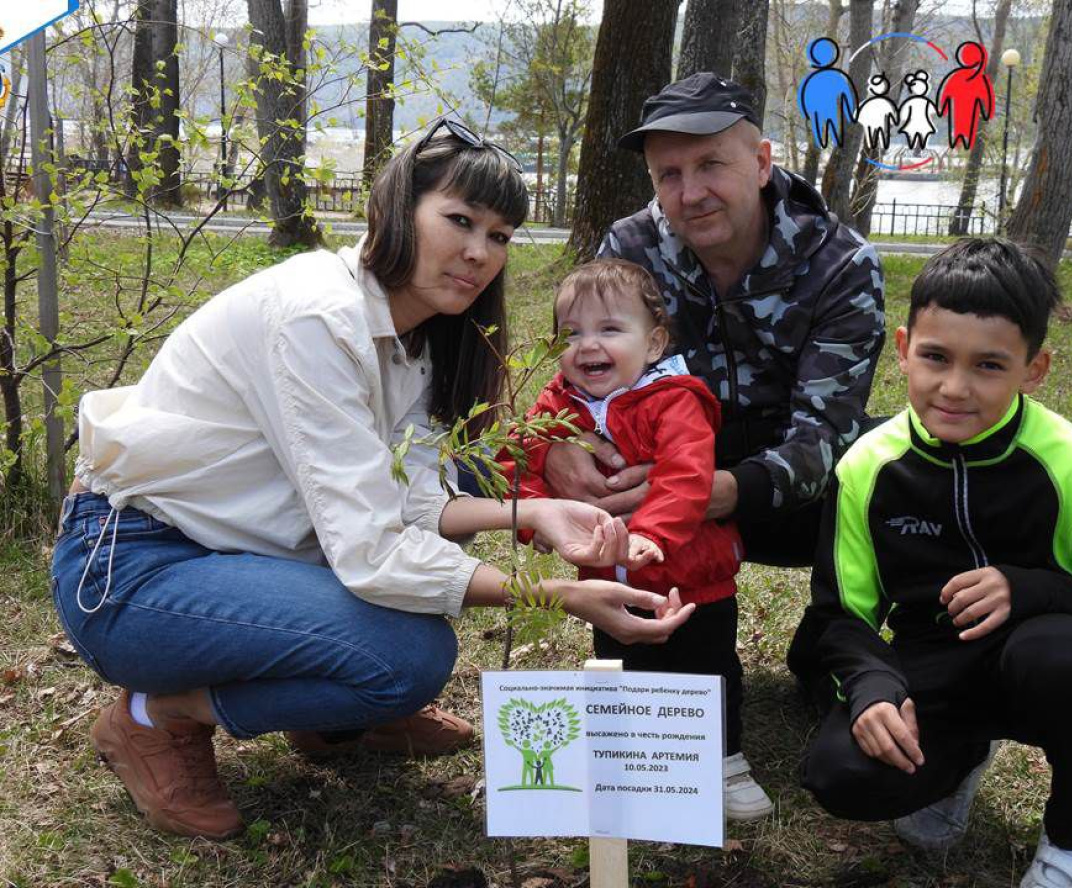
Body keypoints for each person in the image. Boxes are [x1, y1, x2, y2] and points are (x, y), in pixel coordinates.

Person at [50, 120, 693, 842]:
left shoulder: (412, 334)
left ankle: (332, 717)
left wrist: (530, 515)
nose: (480, 253)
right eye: (460, 220)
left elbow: (411, 496)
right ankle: (153, 718)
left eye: (502, 235)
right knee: (405, 654)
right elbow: (371, 549)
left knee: (402, 632)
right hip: (136, 571)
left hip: (242, 552)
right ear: (395, 209)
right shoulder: (317, 318)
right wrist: (556, 592)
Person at [787, 239, 1072, 887]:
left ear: (1034, 369)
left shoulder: (1068, 461)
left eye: (989, 366)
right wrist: (870, 689)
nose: (954, 387)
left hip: (1046, 662)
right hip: (933, 665)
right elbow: (839, 615)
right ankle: (959, 756)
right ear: (902, 347)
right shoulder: (866, 464)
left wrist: (1028, 588)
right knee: (840, 775)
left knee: (1059, 657)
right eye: (935, 357)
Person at [544, 72, 886, 572]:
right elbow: (579, 373)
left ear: (762, 163)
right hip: (655, 479)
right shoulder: (631, 249)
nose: (691, 193)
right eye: (670, 175)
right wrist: (559, 444)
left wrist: (705, 490)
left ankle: (838, 634)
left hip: (790, 494)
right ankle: (660, 643)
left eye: (711, 164)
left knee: (908, 469)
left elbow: (826, 433)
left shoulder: (840, 264)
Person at [500, 258, 772, 821]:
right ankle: (632, 761)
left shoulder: (674, 399)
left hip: (693, 575)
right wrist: (538, 517)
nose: (587, 345)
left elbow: (686, 477)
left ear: (654, 343)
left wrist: (650, 534)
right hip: (605, 579)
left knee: (708, 668)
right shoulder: (558, 404)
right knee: (618, 666)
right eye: (571, 334)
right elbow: (514, 460)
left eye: (609, 329)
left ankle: (724, 760)